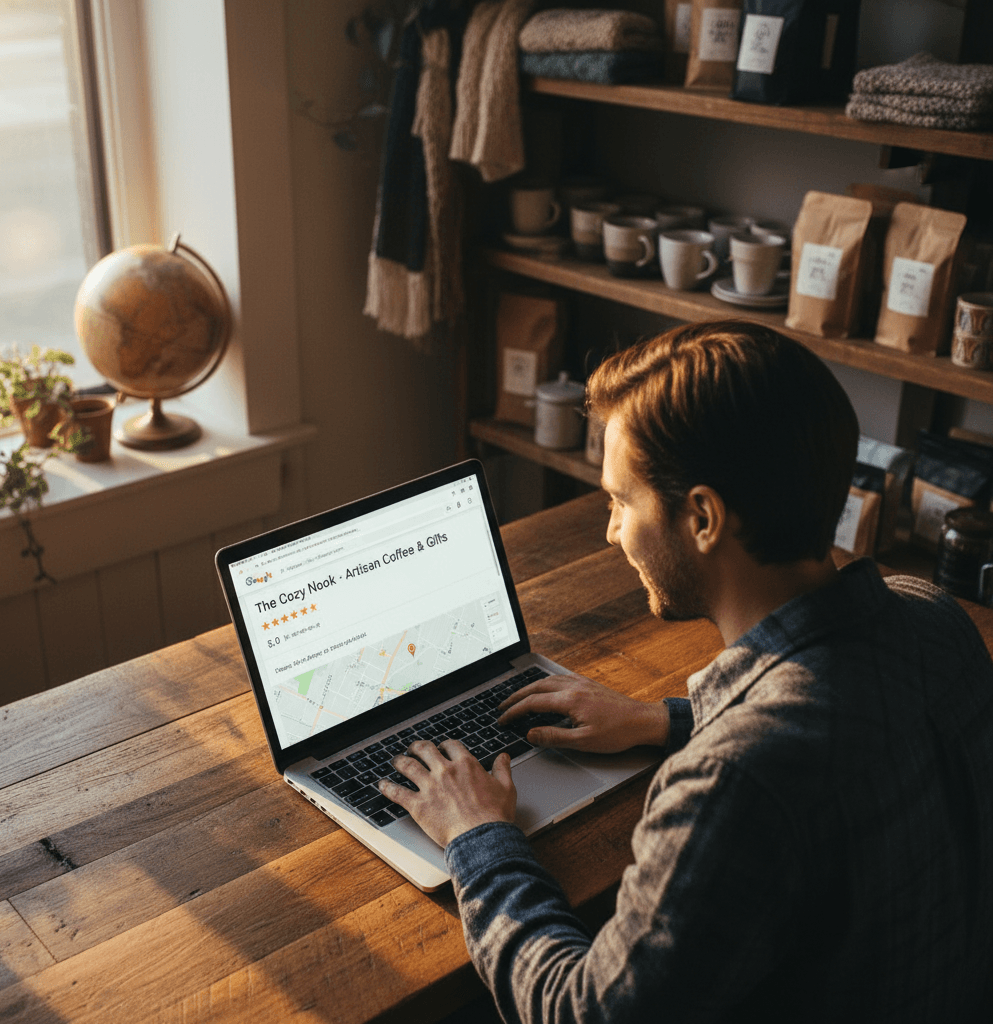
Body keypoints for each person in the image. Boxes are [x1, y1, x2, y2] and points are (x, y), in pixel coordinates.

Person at [377, 320, 993, 1023]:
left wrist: (475, 834)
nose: (611, 531)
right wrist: (662, 719)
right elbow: (838, 713)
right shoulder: (936, 619)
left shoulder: (735, 780)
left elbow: (582, 1011)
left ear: (702, 517)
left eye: (620, 500)